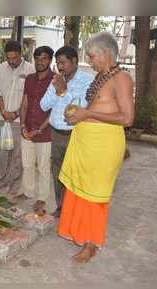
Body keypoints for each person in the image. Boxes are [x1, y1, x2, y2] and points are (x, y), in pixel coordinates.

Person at [58, 32, 134, 263]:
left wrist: (88, 114)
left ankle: (92, 244)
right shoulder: (101, 75)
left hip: (104, 146)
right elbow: (97, 107)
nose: (89, 61)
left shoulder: (121, 78)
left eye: (91, 56)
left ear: (106, 53)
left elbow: (128, 118)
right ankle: (79, 234)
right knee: (78, 192)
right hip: (85, 143)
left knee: (95, 197)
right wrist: (76, 113)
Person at [40, 46, 94, 217]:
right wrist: (58, 91)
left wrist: (64, 91)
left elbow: (82, 108)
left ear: (75, 61)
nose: (60, 66)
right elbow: (44, 105)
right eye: (57, 63)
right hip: (56, 134)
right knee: (57, 174)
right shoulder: (56, 80)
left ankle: (74, 210)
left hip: (75, 134)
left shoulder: (87, 80)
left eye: (63, 62)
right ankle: (61, 207)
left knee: (74, 174)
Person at [0, 40, 34, 200]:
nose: (11, 61)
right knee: (3, 152)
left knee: (17, 155)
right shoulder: (2, 68)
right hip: (3, 118)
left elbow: (30, 96)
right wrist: (3, 111)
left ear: (21, 54)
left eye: (14, 58)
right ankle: (3, 180)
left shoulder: (30, 69)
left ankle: (15, 185)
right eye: (8, 58)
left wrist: (16, 113)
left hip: (19, 120)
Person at [18, 46, 55, 212]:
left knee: (43, 167)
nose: (40, 62)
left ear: (50, 60)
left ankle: (42, 198)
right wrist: (22, 125)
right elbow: (25, 102)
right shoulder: (30, 79)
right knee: (27, 164)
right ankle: (28, 191)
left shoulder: (56, 80)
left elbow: (55, 109)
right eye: (37, 58)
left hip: (44, 132)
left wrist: (39, 129)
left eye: (44, 58)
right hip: (27, 129)